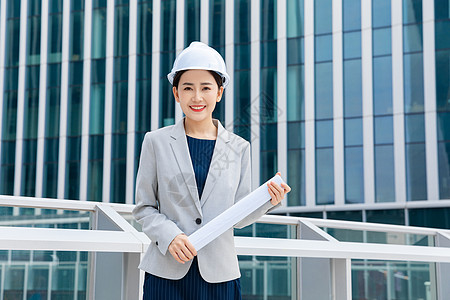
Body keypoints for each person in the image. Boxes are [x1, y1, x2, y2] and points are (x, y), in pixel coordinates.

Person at [133, 41, 291, 300]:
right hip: (166, 273)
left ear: (219, 93)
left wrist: (268, 201)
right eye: (188, 88)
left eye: (206, 88)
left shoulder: (239, 147)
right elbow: (144, 208)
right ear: (176, 94)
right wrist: (170, 236)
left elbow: (238, 216)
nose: (197, 97)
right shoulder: (155, 142)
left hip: (220, 275)